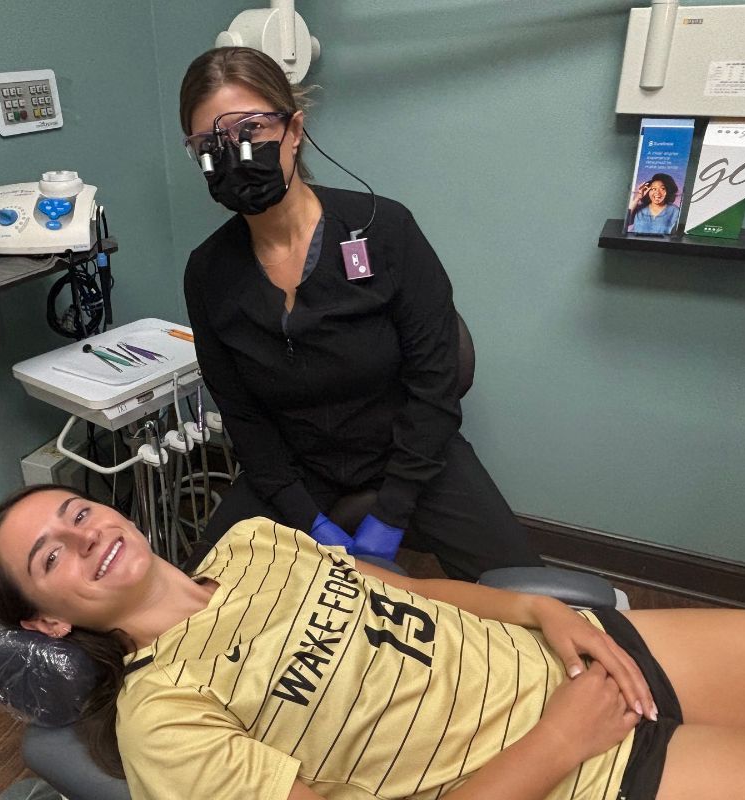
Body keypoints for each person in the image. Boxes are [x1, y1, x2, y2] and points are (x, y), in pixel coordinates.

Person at [0, 485, 745, 800]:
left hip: (584, 652)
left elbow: (414, 590)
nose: (84, 537)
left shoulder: (254, 542)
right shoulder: (163, 717)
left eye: (76, 512)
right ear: (48, 619)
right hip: (569, 768)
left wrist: (537, 614)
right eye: (52, 555)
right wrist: (563, 737)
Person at [179, 46, 540, 581]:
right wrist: (310, 521)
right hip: (297, 474)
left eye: (250, 129)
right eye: (211, 143)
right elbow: (245, 418)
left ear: (295, 129)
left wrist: (391, 515)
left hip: (412, 455)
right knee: (199, 608)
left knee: (533, 602)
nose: (235, 153)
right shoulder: (208, 273)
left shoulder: (385, 229)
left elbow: (434, 382)